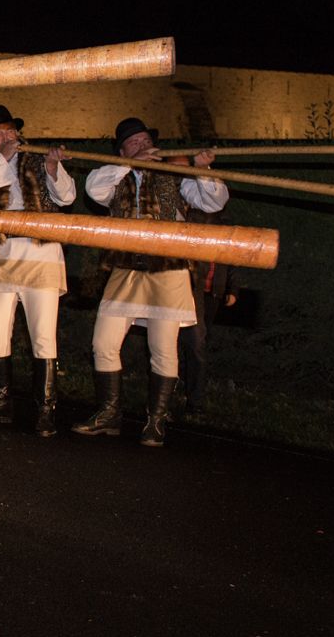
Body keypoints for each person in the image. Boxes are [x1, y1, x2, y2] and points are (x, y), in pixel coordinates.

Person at [73, 117, 228, 448]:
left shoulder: (175, 176)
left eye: (146, 140)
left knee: (162, 348)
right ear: (122, 151)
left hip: (167, 270)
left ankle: (156, 421)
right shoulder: (116, 177)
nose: (142, 145)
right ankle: (109, 414)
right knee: (103, 342)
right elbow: (93, 189)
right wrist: (127, 164)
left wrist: (201, 169)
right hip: (125, 269)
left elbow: (214, 201)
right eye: (134, 143)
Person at [0, 105, 74, 436]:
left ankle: (46, 410)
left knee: (43, 337)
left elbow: (67, 198)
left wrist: (54, 167)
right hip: (3, 257)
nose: (7, 137)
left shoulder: (39, 159)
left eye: (10, 132)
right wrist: (2, 160)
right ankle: (0, 403)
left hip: (42, 257)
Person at [176, 206, 238, 416]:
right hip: (192, 290)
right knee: (194, 342)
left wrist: (232, 288)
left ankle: (188, 391)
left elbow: (230, 259)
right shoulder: (190, 218)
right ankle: (194, 400)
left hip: (213, 293)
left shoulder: (224, 223)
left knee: (197, 343)